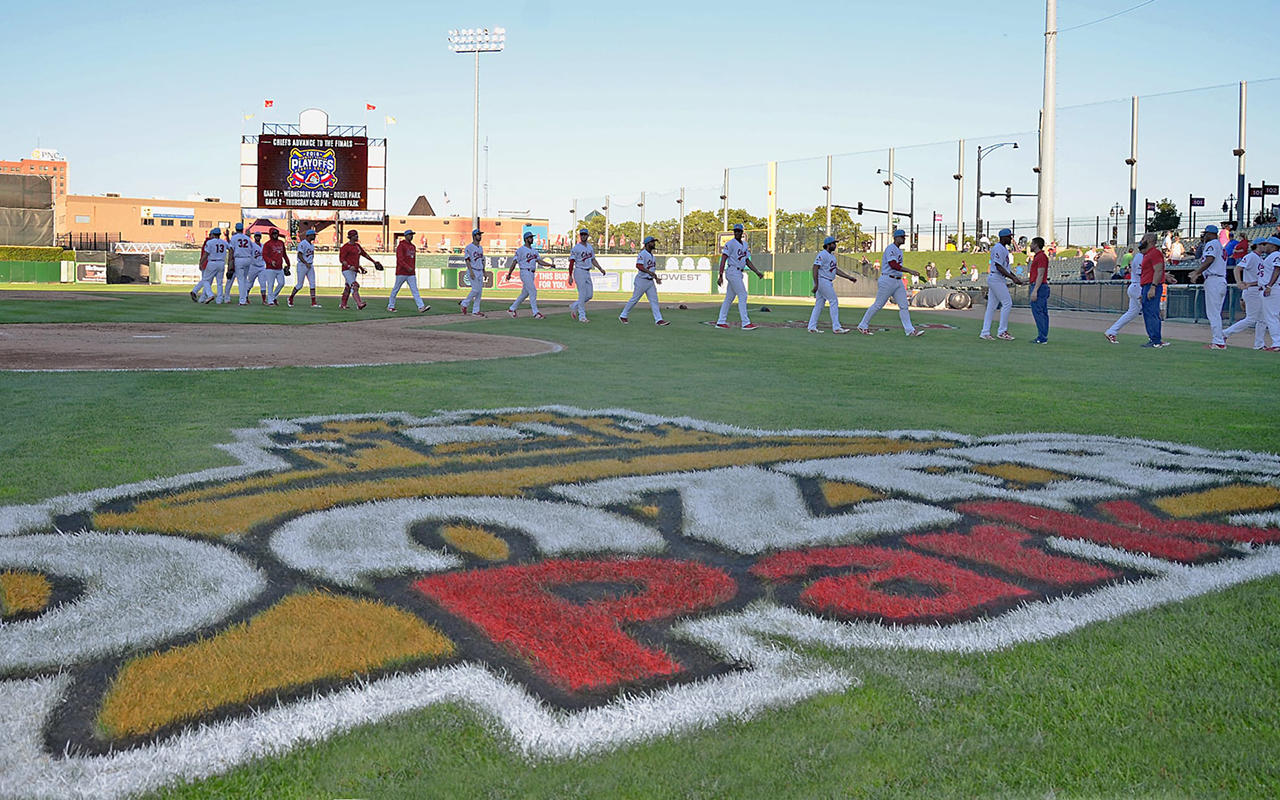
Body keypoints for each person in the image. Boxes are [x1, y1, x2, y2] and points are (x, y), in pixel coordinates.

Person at [857, 229, 924, 337]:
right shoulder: (890, 248)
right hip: (887, 279)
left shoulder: (899, 251)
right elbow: (893, 265)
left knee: (904, 306)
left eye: (904, 237)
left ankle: (910, 330)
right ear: (896, 237)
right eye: (902, 237)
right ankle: (863, 325)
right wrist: (909, 271)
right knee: (878, 305)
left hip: (897, 280)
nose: (904, 239)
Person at [716, 223, 765, 330]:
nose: (737, 233)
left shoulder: (745, 245)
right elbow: (724, 258)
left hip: (739, 272)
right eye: (735, 231)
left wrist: (757, 272)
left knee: (729, 298)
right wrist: (720, 275)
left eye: (739, 231)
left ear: (742, 233)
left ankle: (721, 321)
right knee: (742, 295)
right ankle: (745, 322)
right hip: (732, 270)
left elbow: (747, 260)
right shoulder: (731, 244)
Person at [980, 228, 1024, 340]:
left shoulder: (1003, 248)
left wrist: (1014, 277)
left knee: (991, 307)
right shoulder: (999, 248)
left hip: (997, 277)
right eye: (1009, 236)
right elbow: (999, 266)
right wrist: (1013, 278)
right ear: (1003, 237)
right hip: (996, 278)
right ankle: (1002, 331)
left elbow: (1005, 268)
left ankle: (985, 332)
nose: (1011, 238)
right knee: (1007, 303)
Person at [1188, 224, 1228, 349]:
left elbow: (1210, 259)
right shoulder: (1219, 245)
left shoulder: (1212, 244)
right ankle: (1219, 340)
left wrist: (1197, 272)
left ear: (1211, 234)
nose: (1204, 236)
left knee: (1213, 313)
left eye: (1206, 234)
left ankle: (1218, 342)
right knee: (1216, 313)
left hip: (1214, 280)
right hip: (1219, 280)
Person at [807, 235, 857, 333]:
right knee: (833, 300)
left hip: (826, 281)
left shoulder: (832, 257)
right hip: (822, 280)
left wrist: (849, 277)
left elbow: (835, 270)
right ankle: (836, 327)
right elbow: (815, 268)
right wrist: (816, 284)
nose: (835, 245)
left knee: (819, 305)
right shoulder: (823, 254)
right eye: (834, 243)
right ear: (828, 245)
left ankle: (812, 327)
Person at [1106, 234, 1150, 344]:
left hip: (1135, 286)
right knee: (1149, 312)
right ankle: (1154, 338)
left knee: (1132, 312)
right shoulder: (1140, 257)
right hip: (1138, 286)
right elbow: (1142, 274)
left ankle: (1111, 331)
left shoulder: (1139, 257)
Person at [619, 236, 670, 326]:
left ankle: (658, 320)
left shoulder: (652, 256)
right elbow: (639, 266)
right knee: (635, 299)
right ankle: (623, 315)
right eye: (652, 242)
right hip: (641, 280)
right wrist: (649, 273)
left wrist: (655, 278)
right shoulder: (643, 253)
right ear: (647, 244)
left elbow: (651, 270)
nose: (654, 243)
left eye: (654, 242)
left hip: (649, 281)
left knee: (654, 300)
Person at [1222, 241, 1265, 349]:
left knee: (1262, 319)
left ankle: (1259, 344)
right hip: (1251, 290)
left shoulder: (1260, 259)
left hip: (1257, 289)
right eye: (1263, 244)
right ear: (1258, 245)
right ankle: (1225, 333)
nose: (1265, 246)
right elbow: (1237, 268)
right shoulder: (1251, 256)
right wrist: (1239, 282)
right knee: (1251, 319)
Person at [504, 230, 554, 318]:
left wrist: (550, 265)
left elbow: (540, 261)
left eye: (532, 237)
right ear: (526, 239)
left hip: (531, 273)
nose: (532, 239)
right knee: (533, 291)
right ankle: (536, 313)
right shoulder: (521, 250)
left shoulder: (534, 251)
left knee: (525, 294)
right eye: (530, 237)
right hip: (524, 272)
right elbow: (514, 262)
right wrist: (509, 273)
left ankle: (512, 309)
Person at [568, 228, 606, 322]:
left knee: (589, 295)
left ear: (587, 236)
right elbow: (572, 262)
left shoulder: (589, 247)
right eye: (582, 235)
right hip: (579, 271)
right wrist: (570, 275)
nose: (583, 236)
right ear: (580, 236)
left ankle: (574, 305)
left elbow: (593, 259)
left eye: (585, 235)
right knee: (582, 294)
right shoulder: (576, 248)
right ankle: (582, 316)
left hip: (587, 271)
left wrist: (600, 268)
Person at [339, 230, 382, 310]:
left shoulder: (357, 246)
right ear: (351, 237)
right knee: (354, 285)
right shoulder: (345, 247)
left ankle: (343, 304)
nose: (357, 237)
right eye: (355, 235)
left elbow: (365, 254)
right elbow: (342, 259)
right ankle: (359, 303)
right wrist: (348, 266)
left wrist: (373, 262)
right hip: (347, 270)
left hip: (354, 270)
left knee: (348, 287)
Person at [388, 230, 429, 313]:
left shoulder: (413, 246)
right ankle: (390, 306)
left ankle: (421, 307)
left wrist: (412, 269)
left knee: (415, 290)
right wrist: (407, 267)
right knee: (396, 289)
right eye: (410, 235)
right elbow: (400, 259)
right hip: (401, 272)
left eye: (412, 235)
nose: (411, 236)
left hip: (411, 273)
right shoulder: (401, 246)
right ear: (406, 236)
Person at [1140, 229, 1169, 348]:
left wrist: (1153, 286)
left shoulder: (1154, 253)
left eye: (1143, 239)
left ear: (1149, 241)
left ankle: (1156, 339)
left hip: (1151, 286)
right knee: (1148, 312)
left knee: (1152, 312)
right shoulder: (1148, 254)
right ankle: (1153, 338)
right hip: (1146, 285)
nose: (1141, 241)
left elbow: (1158, 269)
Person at [288, 229, 320, 308]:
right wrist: (306, 263)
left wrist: (308, 263)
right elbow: (299, 255)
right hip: (302, 265)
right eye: (313, 235)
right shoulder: (303, 243)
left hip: (310, 265)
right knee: (299, 285)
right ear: (309, 236)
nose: (314, 236)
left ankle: (313, 302)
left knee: (312, 283)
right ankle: (290, 297)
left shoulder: (311, 245)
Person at [193, 227, 226, 304]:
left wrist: (201, 262)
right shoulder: (223, 242)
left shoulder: (209, 242)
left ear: (212, 234)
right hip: (221, 262)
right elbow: (230, 248)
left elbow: (205, 254)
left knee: (205, 280)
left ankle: (209, 295)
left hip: (211, 262)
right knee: (219, 282)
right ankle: (219, 300)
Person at [1258, 237, 1280, 351]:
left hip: (1272, 288)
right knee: (1270, 317)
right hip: (1268, 288)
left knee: (1272, 316)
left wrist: (1269, 286)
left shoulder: (1276, 254)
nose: (1264, 246)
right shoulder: (1270, 257)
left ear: (1273, 245)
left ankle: (1277, 343)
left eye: (1266, 245)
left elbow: (1277, 269)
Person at [1028, 236, 1050, 344]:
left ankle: (1042, 337)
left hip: (1039, 287)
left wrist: (1035, 290)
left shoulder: (1041, 257)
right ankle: (1043, 336)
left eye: (1032, 244)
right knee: (1042, 312)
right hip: (1039, 285)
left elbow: (1040, 275)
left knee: (1039, 312)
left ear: (1036, 244)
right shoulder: (1039, 256)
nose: (1030, 246)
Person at [460, 228, 487, 316]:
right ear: (474, 236)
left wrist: (484, 272)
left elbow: (482, 260)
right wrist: (471, 272)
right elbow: (467, 260)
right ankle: (464, 303)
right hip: (473, 270)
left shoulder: (480, 248)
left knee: (479, 292)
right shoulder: (469, 247)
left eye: (480, 234)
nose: (480, 236)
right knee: (475, 290)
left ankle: (475, 311)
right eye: (478, 234)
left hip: (479, 270)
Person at [261, 229, 290, 306]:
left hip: (279, 267)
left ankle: (273, 297)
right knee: (270, 284)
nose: (275, 235)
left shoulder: (281, 242)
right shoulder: (267, 244)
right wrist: (270, 261)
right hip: (270, 268)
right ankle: (270, 301)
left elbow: (284, 254)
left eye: (276, 233)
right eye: (273, 233)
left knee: (281, 283)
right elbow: (264, 255)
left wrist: (288, 264)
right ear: (270, 234)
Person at [228, 222, 254, 306]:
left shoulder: (234, 237)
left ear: (236, 229)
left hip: (239, 259)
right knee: (245, 279)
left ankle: (242, 300)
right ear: (242, 229)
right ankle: (245, 298)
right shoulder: (247, 238)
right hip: (248, 258)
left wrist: (230, 263)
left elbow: (231, 251)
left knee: (241, 280)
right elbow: (251, 249)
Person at [247, 232, 269, 305]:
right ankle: (246, 298)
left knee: (263, 283)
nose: (257, 237)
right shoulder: (252, 245)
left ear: (261, 237)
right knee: (250, 283)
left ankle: (264, 300)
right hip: (253, 266)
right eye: (256, 236)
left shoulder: (263, 246)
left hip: (262, 267)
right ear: (254, 237)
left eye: (259, 236)